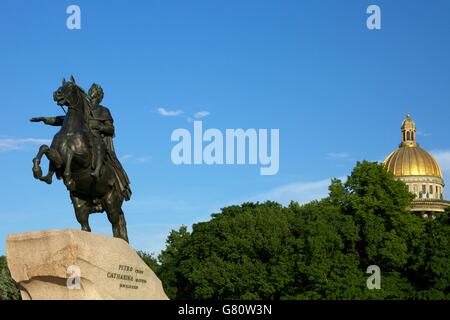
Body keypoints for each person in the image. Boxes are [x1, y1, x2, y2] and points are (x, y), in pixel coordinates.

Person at [30, 83, 131, 201]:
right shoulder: (81, 109)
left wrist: (99, 126)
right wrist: (44, 119)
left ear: (98, 96)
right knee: (58, 142)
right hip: (82, 134)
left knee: (100, 145)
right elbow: (60, 119)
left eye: (94, 90)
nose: (91, 91)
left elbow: (111, 128)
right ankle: (49, 175)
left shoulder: (103, 110)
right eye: (91, 89)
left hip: (94, 136)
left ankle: (97, 170)